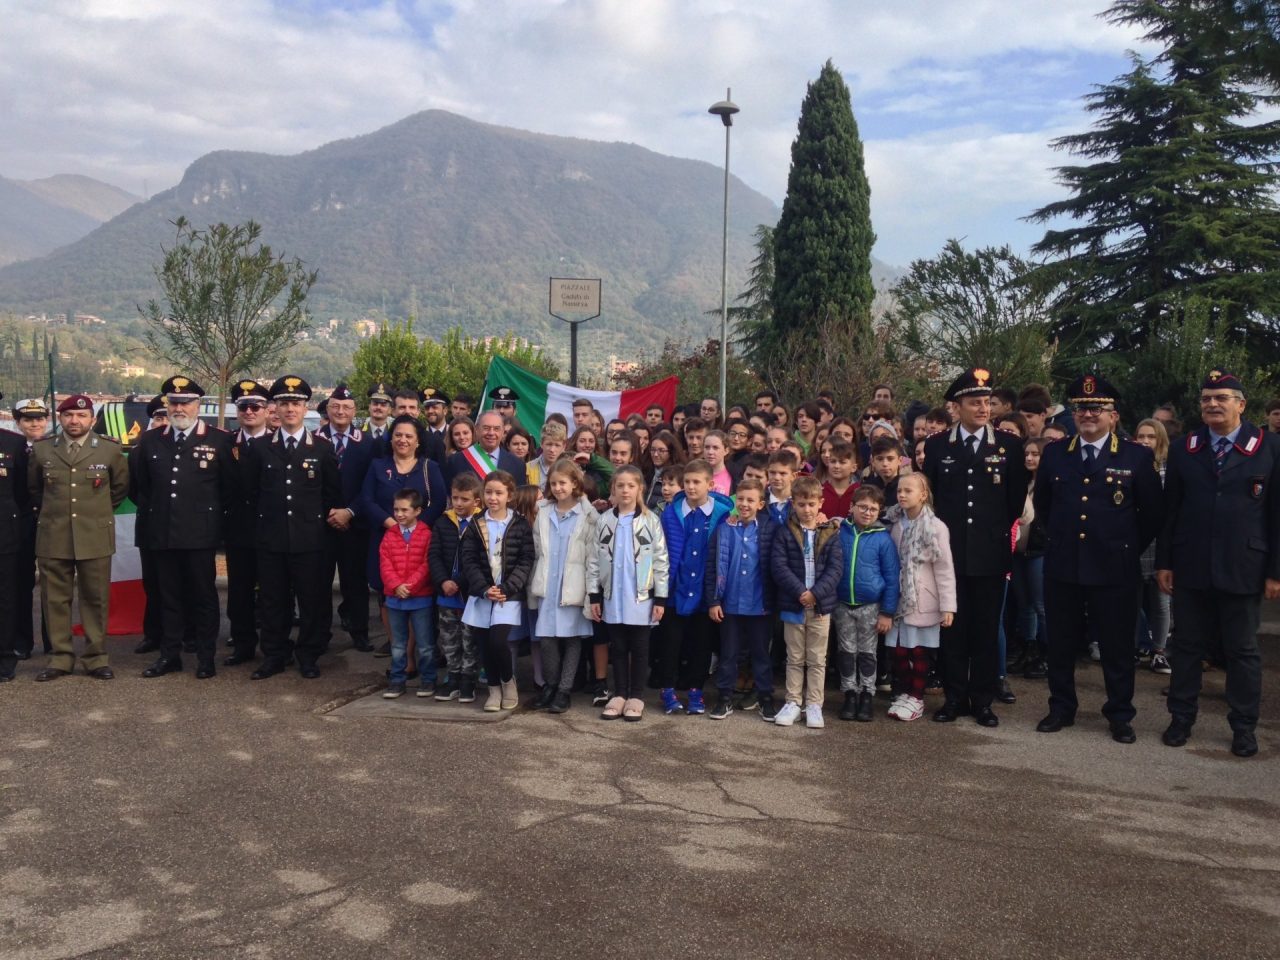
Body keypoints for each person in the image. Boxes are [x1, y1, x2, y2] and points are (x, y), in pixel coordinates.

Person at [1033, 376, 1164, 744]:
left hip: (1115, 568)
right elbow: (1044, 505)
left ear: (1114, 416)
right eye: (1081, 408)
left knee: (1118, 645)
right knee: (1060, 642)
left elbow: (1152, 514)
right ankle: (1061, 707)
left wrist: (1124, 546)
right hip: (1064, 565)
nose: (1088, 414)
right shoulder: (1057, 453)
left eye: (1097, 408)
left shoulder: (1136, 456)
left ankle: (1120, 713)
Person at [1157, 370, 1280, 758]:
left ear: (1241, 405)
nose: (1212, 404)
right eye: (1207, 398)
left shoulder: (1269, 447)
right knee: (1188, 647)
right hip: (1191, 564)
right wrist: (1165, 561)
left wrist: (1276, 571)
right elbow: (1170, 511)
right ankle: (1180, 718)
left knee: (1242, 651)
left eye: (1222, 397)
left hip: (1244, 564)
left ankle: (1244, 727)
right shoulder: (1184, 447)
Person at [922, 368, 1029, 727]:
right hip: (949, 556)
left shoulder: (1009, 446)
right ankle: (954, 698)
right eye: (974, 402)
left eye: (986, 401)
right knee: (953, 630)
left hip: (990, 553)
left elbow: (1014, 503)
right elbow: (931, 498)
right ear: (957, 406)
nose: (983, 408)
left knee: (984, 629)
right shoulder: (938, 445)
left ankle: (982, 700)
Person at [129, 375, 232, 680]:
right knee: (168, 597)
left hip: (200, 534)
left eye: (185, 402)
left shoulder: (219, 440)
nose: (179, 408)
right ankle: (169, 655)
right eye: (174, 402)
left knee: (203, 597)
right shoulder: (150, 440)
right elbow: (142, 489)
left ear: (198, 404)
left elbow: (229, 489)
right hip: (162, 532)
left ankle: (205, 656)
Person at [242, 376, 341, 681]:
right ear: (275, 407)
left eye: (296, 403)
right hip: (271, 538)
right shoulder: (259, 448)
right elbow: (250, 493)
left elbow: (332, 497)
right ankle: (274, 654)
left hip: (310, 539)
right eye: (283, 403)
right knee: (273, 600)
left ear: (306, 407)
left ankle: (308, 654)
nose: (289, 409)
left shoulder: (322, 449)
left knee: (311, 600)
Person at [29, 394, 128, 681]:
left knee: (95, 598)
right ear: (60, 419)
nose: (75, 420)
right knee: (54, 600)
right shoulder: (43, 450)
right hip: (53, 535)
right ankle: (60, 657)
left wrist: (95, 514)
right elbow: (35, 490)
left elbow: (119, 489)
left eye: (82, 416)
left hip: (94, 535)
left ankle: (96, 657)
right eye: (69, 415)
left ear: (92, 420)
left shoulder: (109, 450)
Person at [357, 415, 447, 652]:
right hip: (386, 538)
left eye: (409, 436)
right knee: (388, 593)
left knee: (418, 594)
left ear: (418, 441)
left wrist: (415, 528)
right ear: (390, 438)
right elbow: (366, 500)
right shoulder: (378, 466)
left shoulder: (430, 467)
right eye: (398, 435)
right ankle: (401, 654)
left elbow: (438, 502)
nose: (403, 440)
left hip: (421, 542)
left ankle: (418, 651)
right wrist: (391, 524)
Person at [588, 465, 668, 721]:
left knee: (640, 646)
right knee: (618, 646)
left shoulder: (650, 521)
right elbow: (593, 560)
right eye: (620, 485)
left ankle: (636, 695)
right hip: (613, 594)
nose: (625, 490)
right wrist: (594, 596)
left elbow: (660, 560)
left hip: (641, 596)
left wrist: (661, 597)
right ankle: (620, 693)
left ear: (640, 489)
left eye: (630, 485)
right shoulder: (604, 520)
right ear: (613, 489)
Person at [658, 458, 733, 714]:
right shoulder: (671, 512)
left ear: (710, 484)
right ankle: (668, 690)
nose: (691, 487)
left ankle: (696, 692)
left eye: (696, 482)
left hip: (705, 592)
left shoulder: (723, 515)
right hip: (675, 590)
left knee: (701, 645)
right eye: (687, 482)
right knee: (671, 643)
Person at [459, 470, 535, 712]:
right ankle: (493, 688)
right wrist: (483, 589)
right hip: (482, 595)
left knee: (498, 641)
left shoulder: (520, 524)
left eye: (499, 493)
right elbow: (468, 558)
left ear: (509, 495)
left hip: (507, 596)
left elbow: (526, 559)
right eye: (489, 492)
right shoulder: (476, 523)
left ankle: (507, 681)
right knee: (484, 644)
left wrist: (507, 587)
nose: (493, 497)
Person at [770, 475, 842, 728]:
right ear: (794, 504)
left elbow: (835, 569)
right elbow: (779, 566)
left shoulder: (831, 532)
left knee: (817, 658)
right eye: (801, 504)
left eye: (811, 504)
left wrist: (815, 594)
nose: (807, 509)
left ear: (820, 503)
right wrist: (801, 591)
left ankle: (814, 705)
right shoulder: (784, 532)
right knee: (794, 656)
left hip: (821, 607)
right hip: (794, 604)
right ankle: (792, 702)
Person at [705, 478, 779, 721]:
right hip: (730, 604)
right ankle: (724, 697)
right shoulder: (725, 528)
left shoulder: (770, 528)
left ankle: (765, 697)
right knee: (729, 654)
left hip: (760, 605)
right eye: (741, 499)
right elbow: (712, 565)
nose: (745, 504)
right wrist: (714, 600)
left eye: (751, 500)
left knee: (760, 654)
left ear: (761, 503)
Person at [885, 473, 956, 721]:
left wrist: (948, 606)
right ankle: (905, 692)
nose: (902, 495)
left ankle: (916, 697)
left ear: (923, 495)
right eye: (899, 491)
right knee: (900, 650)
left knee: (918, 651)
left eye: (908, 491)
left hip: (922, 599)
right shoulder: (895, 522)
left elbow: (944, 568)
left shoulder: (935, 527)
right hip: (898, 598)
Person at [527, 460, 597, 713]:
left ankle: (564, 689)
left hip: (573, 586)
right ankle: (551, 684)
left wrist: (591, 591)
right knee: (546, 637)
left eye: (563, 483)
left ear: (575, 484)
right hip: (548, 584)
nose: (558, 488)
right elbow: (537, 551)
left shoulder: (587, 515)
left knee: (572, 639)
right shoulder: (544, 512)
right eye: (553, 483)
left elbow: (592, 556)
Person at [316, 384, 377, 654]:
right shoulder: (312, 440)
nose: (341, 411)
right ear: (328, 409)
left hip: (355, 524)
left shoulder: (368, 444)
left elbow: (371, 486)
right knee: (318, 583)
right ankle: (318, 634)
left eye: (347, 408)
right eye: (336, 406)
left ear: (355, 412)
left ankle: (360, 632)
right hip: (320, 525)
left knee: (355, 583)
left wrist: (349, 512)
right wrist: (329, 513)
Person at [833, 486, 900, 722]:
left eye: (873, 509)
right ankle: (849, 693)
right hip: (842, 604)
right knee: (846, 651)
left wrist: (887, 612)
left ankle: (867, 695)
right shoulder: (840, 532)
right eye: (863, 507)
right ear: (852, 506)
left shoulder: (883, 538)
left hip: (871, 606)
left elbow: (892, 577)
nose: (868, 512)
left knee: (867, 653)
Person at [223, 379, 272, 667]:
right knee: (239, 593)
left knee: (272, 592)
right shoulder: (224, 444)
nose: (249, 411)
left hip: (271, 530)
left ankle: (272, 646)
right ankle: (242, 645)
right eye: (243, 407)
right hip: (238, 530)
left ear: (267, 410)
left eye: (255, 406)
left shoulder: (277, 443)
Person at [428, 472, 483, 702]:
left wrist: (459, 582)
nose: (458, 503)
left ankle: (468, 679)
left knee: (470, 638)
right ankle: (452, 677)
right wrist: (443, 581)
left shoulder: (482, 522)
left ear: (476, 501)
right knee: (449, 637)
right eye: (455, 498)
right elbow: (434, 555)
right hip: (446, 594)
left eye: (464, 499)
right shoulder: (442, 522)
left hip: (469, 593)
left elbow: (479, 560)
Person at [379, 489, 435, 698]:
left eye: (404, 510)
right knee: (398, 644)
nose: (399, 514)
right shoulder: (389, 535)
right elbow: (385, 564)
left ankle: (428, 680)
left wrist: (410, 585)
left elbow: (427, 564)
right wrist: (396, 586)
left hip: (420, 598)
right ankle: (396, 680)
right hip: (395, 599)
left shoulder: (426, 534)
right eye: (396, 509)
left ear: (417, 511)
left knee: (425, 643)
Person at [1132, 419, 1172, 674]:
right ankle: (1135, 647)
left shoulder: (1171, 469)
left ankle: (1159, 650)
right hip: (1136, 540)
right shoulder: (1132, 465)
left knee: (1160, 601)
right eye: (1141, 436)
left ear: (1161, 440)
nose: (1145, 441)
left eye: (1151, 436)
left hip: (1161, 542)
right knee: (1131, 601)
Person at [11, 398, 48, 662]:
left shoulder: (55, 448)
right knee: (21, 585)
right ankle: (22, 640)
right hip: (21, 524)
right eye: (28, 419)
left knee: (54, 587)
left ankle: (53, 643)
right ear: (18, 422)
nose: (34, 424)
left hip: (51, 523)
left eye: (39, 419)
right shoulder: (11, 449)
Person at [0, 393, 30, 682]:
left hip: (4, 534)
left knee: (5, 598)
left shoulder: (14, 444)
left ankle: (5, 656)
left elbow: (23, 492)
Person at [445, 410, 525, 486]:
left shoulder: (517, 464)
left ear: (503, 431)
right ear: (476, 429)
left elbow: (519, 497)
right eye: (486, 428)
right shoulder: (456, 461)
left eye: (496, 429)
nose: (491, 433)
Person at [820, 439, 859, 521]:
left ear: (853, 467)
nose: (836, 466)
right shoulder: (818, 491)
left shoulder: (861, 493)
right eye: (833, 461)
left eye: (842, 462)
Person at [526, 421, 566, 487]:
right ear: (541, 443)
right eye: (549, 444)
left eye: (557, 445)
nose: (552, 450)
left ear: (564, 446)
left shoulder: (571, 469)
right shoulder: (528, 468)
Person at [421, 388, 450, 462]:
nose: (430, 411)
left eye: (434, 407)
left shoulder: (453, 433)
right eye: (427, 408)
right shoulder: (420, 435)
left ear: (445, 410)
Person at [702, 429, 732, 495]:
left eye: (715, 448)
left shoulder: (733, 477)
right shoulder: (695, 473)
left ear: (726, 450)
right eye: (707, 447)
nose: (710, 452)